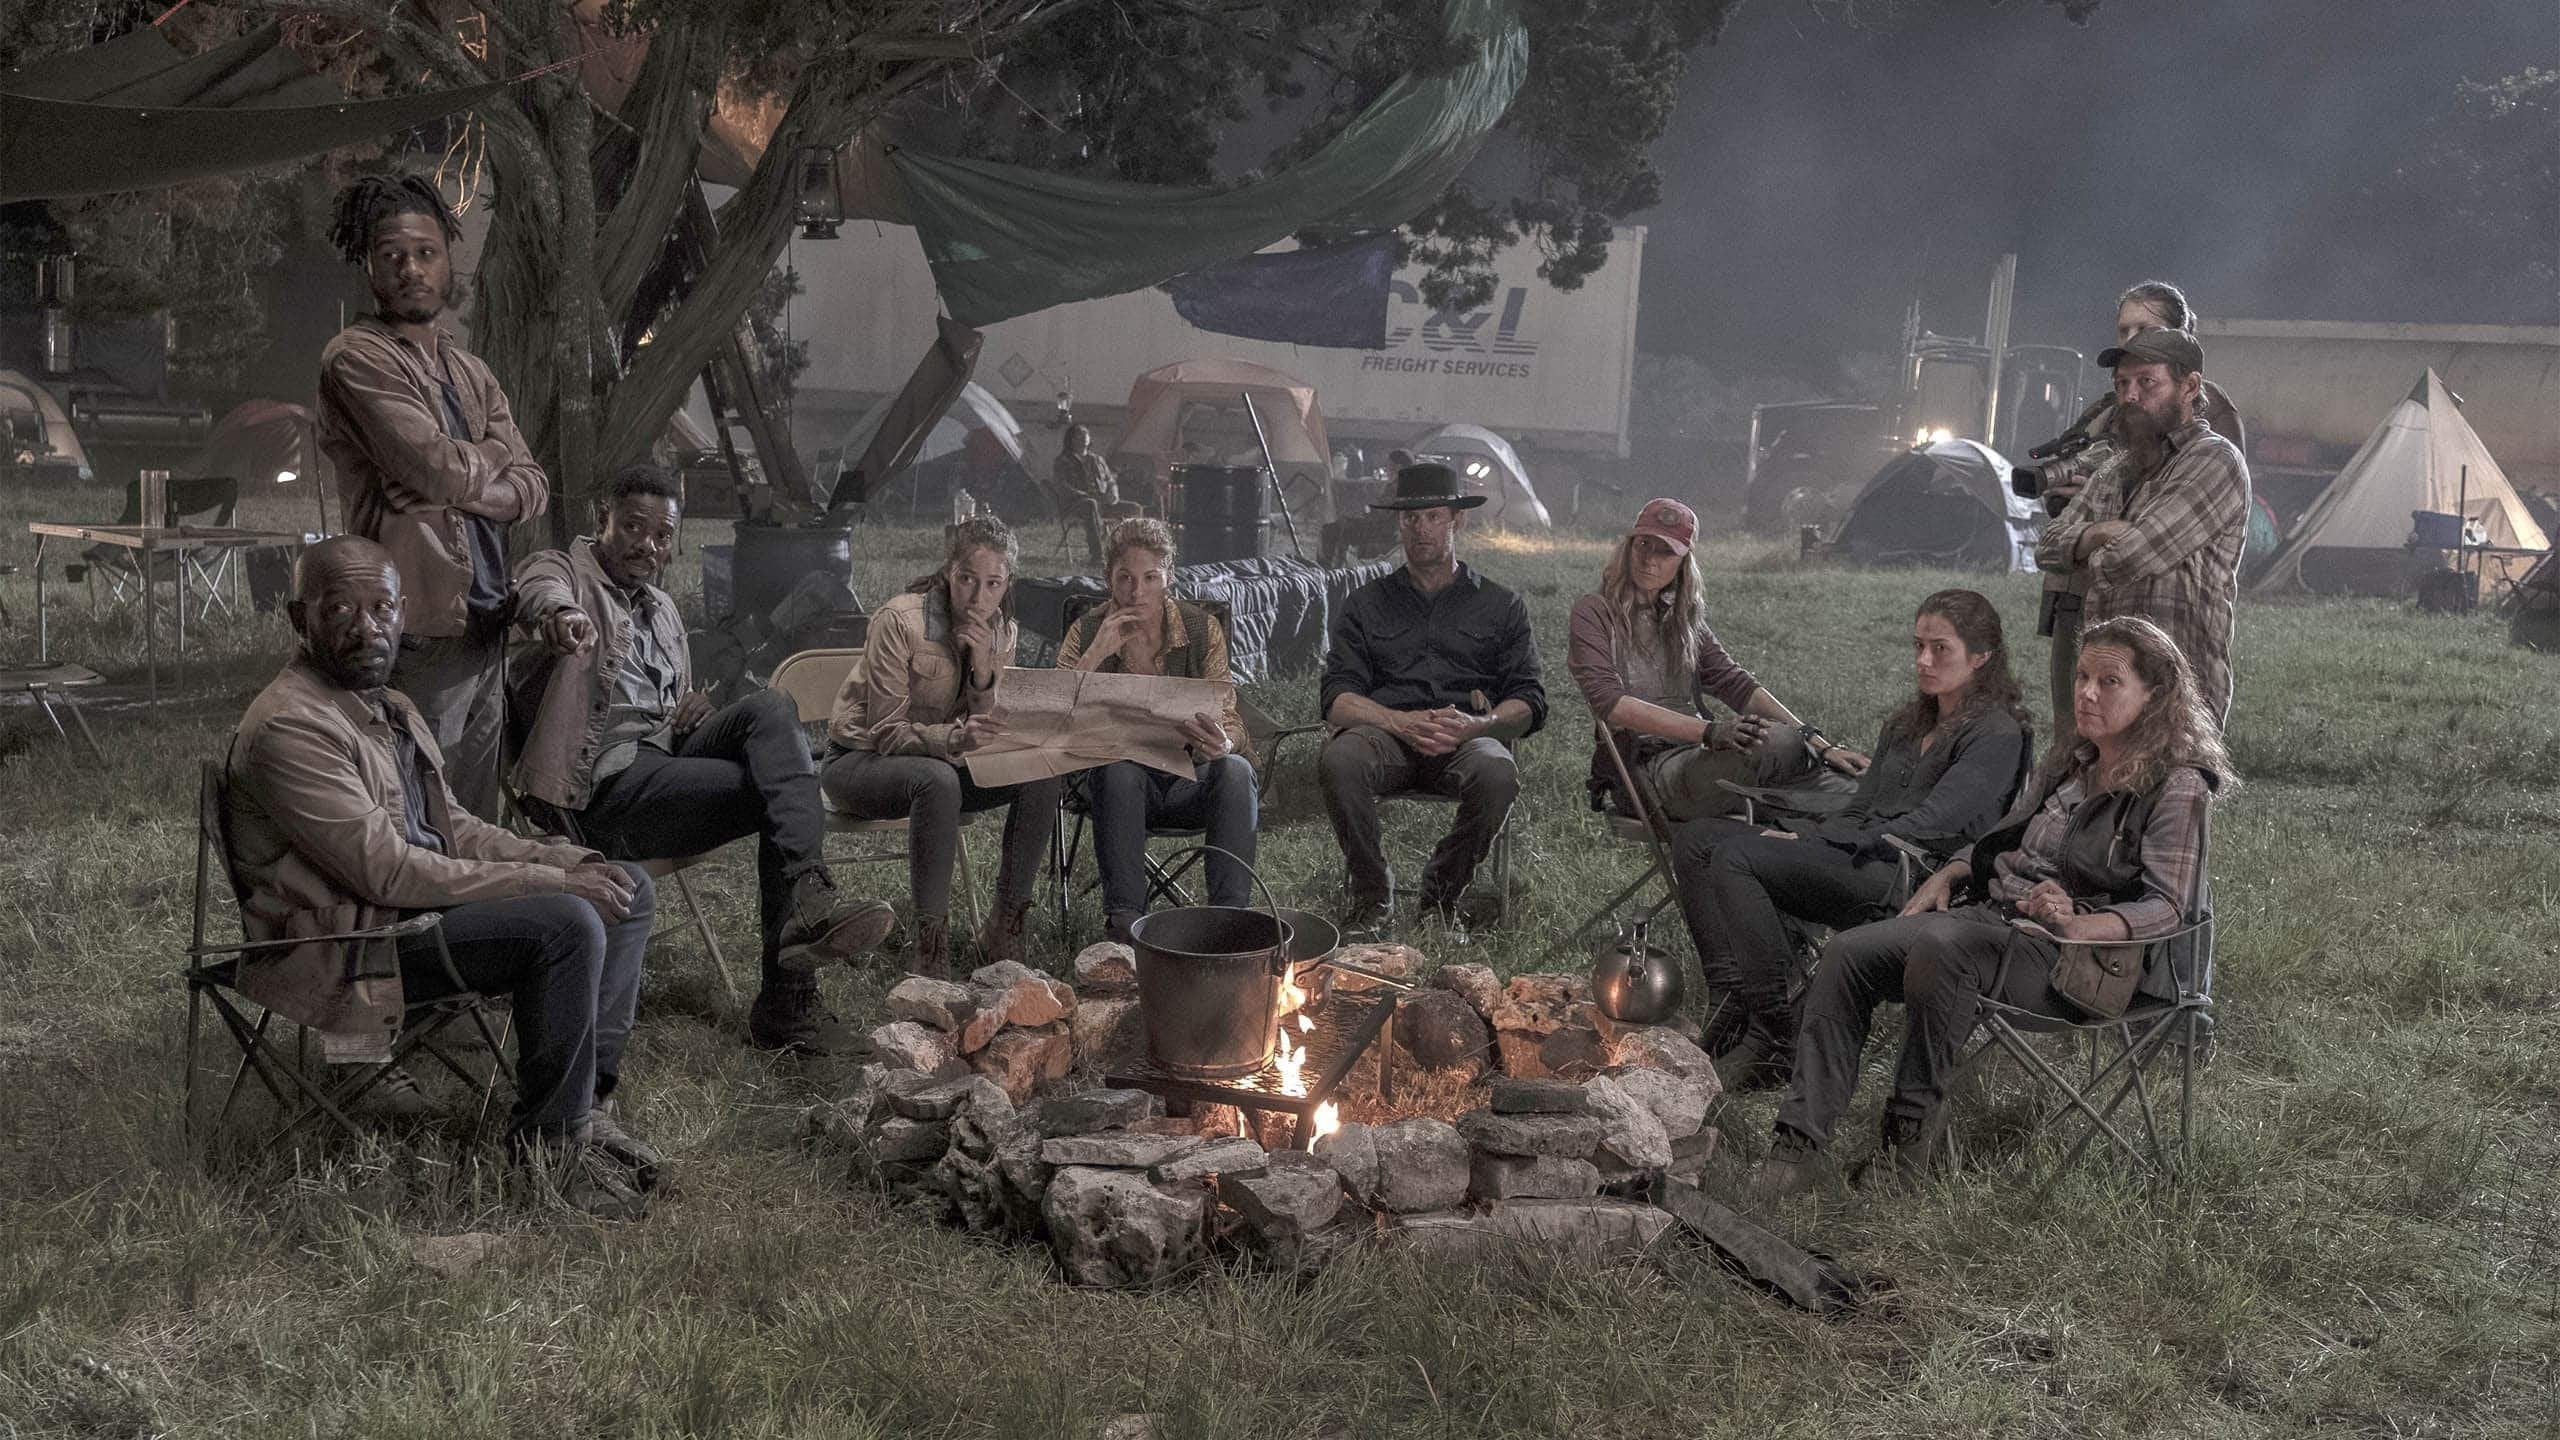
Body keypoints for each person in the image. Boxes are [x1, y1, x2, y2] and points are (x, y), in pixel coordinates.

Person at [225, 537, 659, 1219]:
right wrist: (549, 887)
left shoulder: (389, 705)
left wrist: (559, 860)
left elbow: (452, 828)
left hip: (411, 914)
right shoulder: (291, 727)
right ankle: (549, 1153)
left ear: (404, 614)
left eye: (382, 607)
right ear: (298, 618)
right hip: (352, 941)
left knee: (624, 887)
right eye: (340, 609)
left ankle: (586, 1105)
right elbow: (387, 872)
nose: (367, 627)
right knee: (566, 923)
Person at [1752, 616, 2230, 1198]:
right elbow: (2007, 835)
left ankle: (1906, 1145)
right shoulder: (2076, 760)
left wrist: (2080, 923)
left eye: (2109, 682)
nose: (2085, 693)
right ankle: (1797, 1143)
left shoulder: (2178, 785)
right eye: (2082, 676)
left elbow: (2172, 907)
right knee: (1849, 953)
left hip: (2080, 962)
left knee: (1943, 949)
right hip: (1995, 923)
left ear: (2154, 695)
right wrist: (1954, 869)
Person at [508, 464, 898, 1056]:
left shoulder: (663, 607)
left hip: (664, 755)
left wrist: (687, 708)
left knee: (771, 706)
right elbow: (537, 591)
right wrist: (562, 617)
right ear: (602, 519)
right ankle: (788, 1002)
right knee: (780, 792)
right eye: (633, 527)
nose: (648, 544)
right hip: (598, 789)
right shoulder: (565, 573)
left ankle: (809, 895)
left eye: (662, 535)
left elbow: (663, 705)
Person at [1668, 590, 2033, 1090]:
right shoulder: (1907, 723)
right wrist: (1808, 835)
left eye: (1940, 649)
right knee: (1697, 839)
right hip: (1861, 855)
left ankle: (1774, 1033)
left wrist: (1816, 844)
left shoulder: (1997, 734)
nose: (1923, 661)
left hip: (1912, 876)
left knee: (1737, 857)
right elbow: (1862, 806)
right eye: (1918, 645)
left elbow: (1930, 822)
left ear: (1981, 656)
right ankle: (1733, 1000)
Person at [316, 174, 549, 821]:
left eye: (425, 252)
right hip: (416, 628)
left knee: (476, 818)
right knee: (420, 816)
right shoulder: (355, 359)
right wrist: (485, 459)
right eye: (391, 254)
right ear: (367, 264)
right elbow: (439, 471)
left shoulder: (471, 370)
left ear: (449, 258)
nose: (410, 269)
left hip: (486, 624)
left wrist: (460, 478)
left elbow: (533, 486)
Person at [820, 516, 1061, 974]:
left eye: (993, 584)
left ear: (1007, 583)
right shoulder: (900, 620)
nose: (977, 597)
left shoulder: (1003, 632)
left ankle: (1005, 925)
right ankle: (931, 948)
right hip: (859, 762)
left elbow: (988, 725)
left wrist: (983, 671)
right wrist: (954, 738)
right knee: (938, 780)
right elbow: (886, 731)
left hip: (944, 765)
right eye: (967, 579)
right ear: (949, 571)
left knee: (1042, 774)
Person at [1317, 463, 1547, 937]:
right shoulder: (1366, 603)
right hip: (1387, 738)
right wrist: (1399, 722)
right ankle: (1371, 896)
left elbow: (1530, 699)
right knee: (1340, 758)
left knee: (1497, 772)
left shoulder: (1501, 605)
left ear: (1457, 520)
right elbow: (1337, 697)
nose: (1420, 529)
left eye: (1433, 516)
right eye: (1410, 518)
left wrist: (1479, 725)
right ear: (1399, 524)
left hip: (1465, 738)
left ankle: (1441, 895)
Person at [1567, 496, 1867, 827]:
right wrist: (1710, 732)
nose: (1649, 559)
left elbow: (1737, 685)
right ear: (1628, 547)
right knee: (1776, 741)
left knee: (1860, 795)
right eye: (1643, 544)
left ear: (1683, 562)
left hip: (1700, 758)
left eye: (1665, 551)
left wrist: (1821, 746)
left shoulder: (1682, 618)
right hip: (1646, 770)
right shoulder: (1594, 612)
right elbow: (1611, 704)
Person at [2035, 282, 2248, 736]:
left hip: (2174, 689)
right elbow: (2046, 548)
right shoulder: (2119, 464)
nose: (2130, 395)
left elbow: (2130, 558)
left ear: (2190, 386)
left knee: (2166, 781)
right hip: (2105, 684)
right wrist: (2097, 533)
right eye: (2122, 384)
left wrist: (2086, 544)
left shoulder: (2214, 457)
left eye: (2146, 382)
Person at [1054, 519, 1257, 942]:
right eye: (1125, 578)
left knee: (1236, 769)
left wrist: (1224, 741)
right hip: (1114, 785)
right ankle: (1125, 924)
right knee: (1119, 771)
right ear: (1108, 578)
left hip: (1189, 777)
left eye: (1150, 578)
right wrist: (1097, 652)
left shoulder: (1201, 629)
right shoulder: (1087, 631)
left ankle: (1230, 922)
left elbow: (1231, 718)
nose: (1136, 592)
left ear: (1169, 577)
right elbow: (1053, 717)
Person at [1051, 424, 1133, 566]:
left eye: (1086, 434)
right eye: (1079, 434)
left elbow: (1110, 480)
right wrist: (1083, 495)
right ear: (1071, 439)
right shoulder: (1063, 461)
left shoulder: (1097, 460)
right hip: (1076, 504)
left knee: (1134, 508)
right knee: (1090, 504)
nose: (1084, 437)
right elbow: (1062, 486)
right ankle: (1097, 556)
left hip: (1102, 500)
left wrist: (1114, 493)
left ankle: (1133, 553)